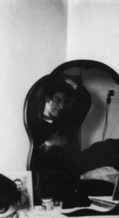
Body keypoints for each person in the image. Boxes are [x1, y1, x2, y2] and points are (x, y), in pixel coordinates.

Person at [29, 75, 91, 208]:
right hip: (45, 185)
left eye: (64, 102)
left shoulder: (67, 123)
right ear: (47, 99)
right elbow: (32, 158)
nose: (61, 106)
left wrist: (67, 79)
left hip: (69, 182)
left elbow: (85, 100)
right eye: (57, 100)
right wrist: (49, 143)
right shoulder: (33, 127)